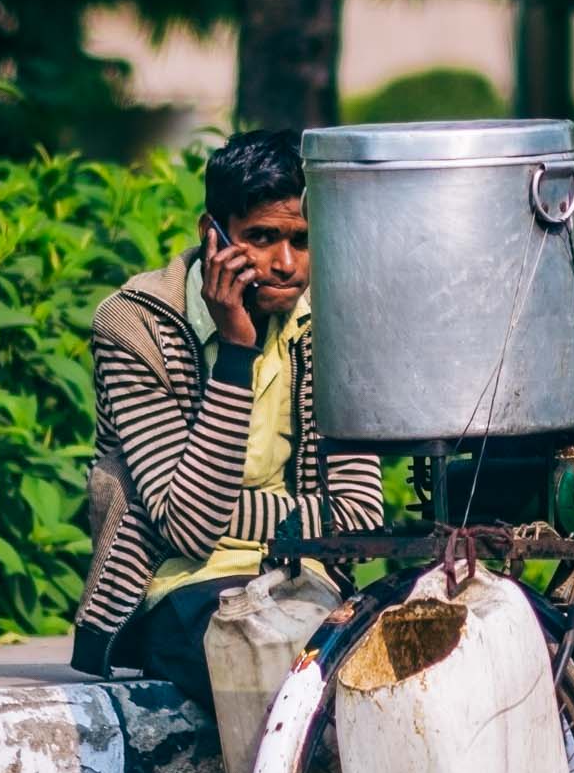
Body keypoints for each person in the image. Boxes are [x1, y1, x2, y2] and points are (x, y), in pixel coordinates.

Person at [71, 129, 383, 688]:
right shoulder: (133, 325)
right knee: (265, 665)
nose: (285, 263)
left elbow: (360, 514)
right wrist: (236, 353)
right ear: (211, 234)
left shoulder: (331, 323)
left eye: (303, 240)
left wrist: (231, 516)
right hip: (175, 586)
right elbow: (190, 531)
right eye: (261, 237)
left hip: (305, 581)